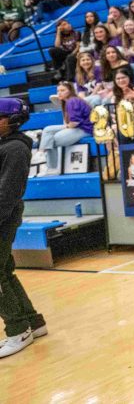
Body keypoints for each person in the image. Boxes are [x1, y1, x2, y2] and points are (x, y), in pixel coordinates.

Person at [0, 98, 47, 359]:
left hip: (3, 217)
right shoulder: (5, 144)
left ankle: (18, 330)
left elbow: (7, 194)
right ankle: (33, 322)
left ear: (13, 121)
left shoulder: (15, 148)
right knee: (5, 271)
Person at [40, 83, 92, 174]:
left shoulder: (72, 101)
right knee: (47, 130)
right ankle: (41, 154)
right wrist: (67, 126)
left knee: (52, 139)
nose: (59, 93)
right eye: (58, 91)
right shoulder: (67, 102)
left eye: (63, 90)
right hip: (77, 127)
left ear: (70, 91)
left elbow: (75, 123)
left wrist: (66, 127)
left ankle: (51, 166)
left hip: (85, 129)